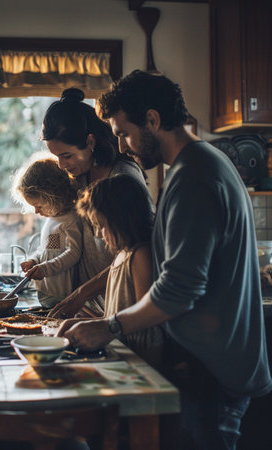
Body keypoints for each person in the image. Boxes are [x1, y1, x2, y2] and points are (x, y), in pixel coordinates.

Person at [57, 70, 272, 449]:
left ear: (153, 120)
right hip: (210, 366)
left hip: (213, 373)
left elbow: (178, 290)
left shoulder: (195, 177)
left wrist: (110, 326)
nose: (122, 146)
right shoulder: (200, 164)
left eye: (123, 133)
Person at [42, 87, 153, 317]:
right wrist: (41, 257)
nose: (62, 166)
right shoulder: (79, 178)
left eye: (67, 156)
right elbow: (59, 227)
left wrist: (81, 293)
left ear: (90, 141)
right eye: (57, 157)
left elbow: (133, 254)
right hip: (89, 307)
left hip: (122, 307)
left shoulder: (122, 179)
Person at [76, 174, 163, 368]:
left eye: (101, 226)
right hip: (122, 352)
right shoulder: (122, 254)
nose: (98, 234)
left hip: (141, 358)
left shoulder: (140, 255)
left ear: (123, 218)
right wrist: (94, 322)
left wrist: (105, 326)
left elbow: (146, 317)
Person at [13, 157, 82, 309]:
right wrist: (34, 261)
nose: (36, 211)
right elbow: (48, 250)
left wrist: (45, 269)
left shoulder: (70, 221)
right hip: (46, 291)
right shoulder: (52, 220)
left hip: (61, 293)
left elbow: (73, 253)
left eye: (38, 206)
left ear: (54, 196)